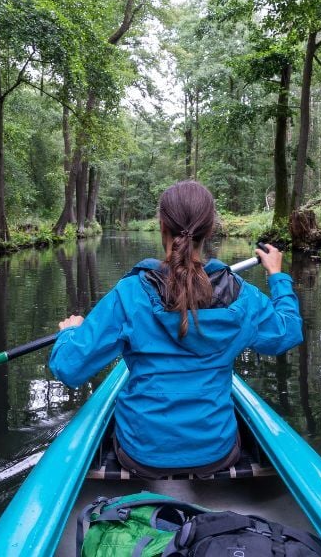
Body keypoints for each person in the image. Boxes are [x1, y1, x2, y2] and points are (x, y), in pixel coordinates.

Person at [48, 180, 303, 478]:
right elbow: (287, 332)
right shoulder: (243, 296)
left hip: (141, 454)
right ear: (209, 231)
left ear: (161, 226)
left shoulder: (129, 293)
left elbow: (68, 368)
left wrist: (71, 333)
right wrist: (277, 276)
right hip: (216, 452)